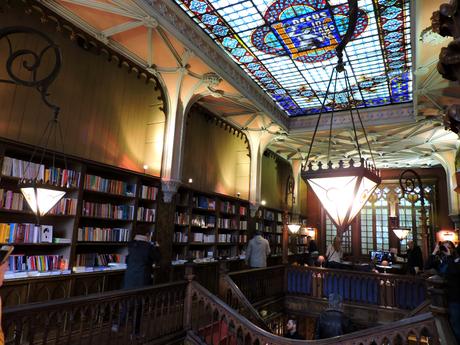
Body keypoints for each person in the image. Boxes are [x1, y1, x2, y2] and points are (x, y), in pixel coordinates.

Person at [114, 231, 160, 334]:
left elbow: (127, 260)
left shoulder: (131, 245)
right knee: (139, 305)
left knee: (127, 302)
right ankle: (135, 331)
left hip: (129, 277)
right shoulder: (148, 247)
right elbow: (158, 258)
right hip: (142, 278)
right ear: (147, 236)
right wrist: (157, 247)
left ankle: (119, 323)